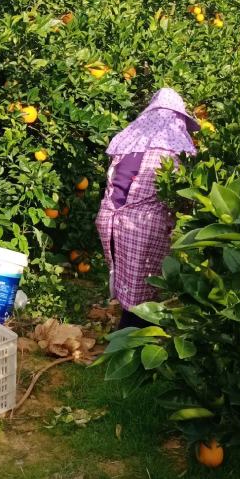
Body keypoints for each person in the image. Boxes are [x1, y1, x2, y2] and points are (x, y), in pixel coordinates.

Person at [95, 88, 199, 329]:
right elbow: (182, 197)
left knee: (124, 278)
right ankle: (132, 339)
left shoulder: (129, 143)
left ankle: (127, 329)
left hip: (110, 220)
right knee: (143, 287)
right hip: (142, 226)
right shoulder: (172, 152)